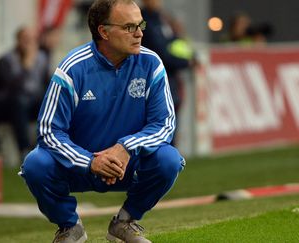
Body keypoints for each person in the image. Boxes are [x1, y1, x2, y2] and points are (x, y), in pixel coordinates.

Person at [20, 0, 185, 242]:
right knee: (35, 164)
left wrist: (126, 147)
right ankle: (70, 226)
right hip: (79, 166)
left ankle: (125, 222)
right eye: (129, 27)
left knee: (169, 160)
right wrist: (90, 162)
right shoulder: (73, 68)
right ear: (104, 32)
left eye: (141, 25)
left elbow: (164, 125)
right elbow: (49, 132)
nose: (139, 33)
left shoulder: (151, 63)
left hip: (127, 165)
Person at [0, 26, 49, 158]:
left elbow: (47, 85)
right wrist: (27, 64)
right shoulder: (6, 60)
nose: (30, 44)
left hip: (31, 103)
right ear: (18, 41)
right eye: (26, 40)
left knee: (49, 101)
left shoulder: (42, 58)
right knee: (19, 101)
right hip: (4, 104)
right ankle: (25, 150)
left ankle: (50, 147)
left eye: (33, 40)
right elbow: (12, 89)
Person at [140, 0, 194, 145]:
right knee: (159, 128)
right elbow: (160, 53)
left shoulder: (162, 19)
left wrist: (177, 36)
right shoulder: (142, 21)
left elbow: (168, 43)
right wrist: (185, 62)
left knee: (171, 127)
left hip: (170, 80)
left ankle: (169, 161)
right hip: (155, 81)